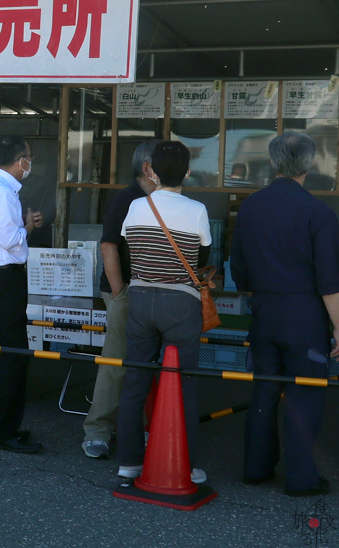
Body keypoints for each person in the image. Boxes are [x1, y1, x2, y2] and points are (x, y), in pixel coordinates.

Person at [231, 131, 339, 497]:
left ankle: (256, 469)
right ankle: (301, 479)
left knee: (264, 389)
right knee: (304, 395)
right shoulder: (319, 212)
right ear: (308, 164)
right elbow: (329, 282)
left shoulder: (249, 206)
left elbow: (239, 270)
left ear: (274, 162)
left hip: (263, 311)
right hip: (305, 317)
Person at [116, 140, 211, 484]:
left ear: (152, 172)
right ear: (187, 172)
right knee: (183, 383)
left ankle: (128, 462)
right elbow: (201, 260)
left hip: (140, 299)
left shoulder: (136, 207)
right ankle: (185, 465)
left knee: (135, 380)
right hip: (181, 304)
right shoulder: (197, 210)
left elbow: (128, 250)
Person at [81, 139, 160, 460]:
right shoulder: (125, 199)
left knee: (144, 365)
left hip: (153, 290)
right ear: (147, 168)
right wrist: (120, 292)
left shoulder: (163, 199)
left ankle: (138, 426)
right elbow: (108, 246)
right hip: (126, 289)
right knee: (116, 362)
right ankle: (97, 431)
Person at [0, 134, 44, 453]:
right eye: (28, 158)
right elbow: (11, 241)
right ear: (20, 162)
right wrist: (28, 227)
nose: (30, 163)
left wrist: (24, 226)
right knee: (15, 356)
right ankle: (5, 431)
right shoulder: (4, 193)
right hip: (5, 280)